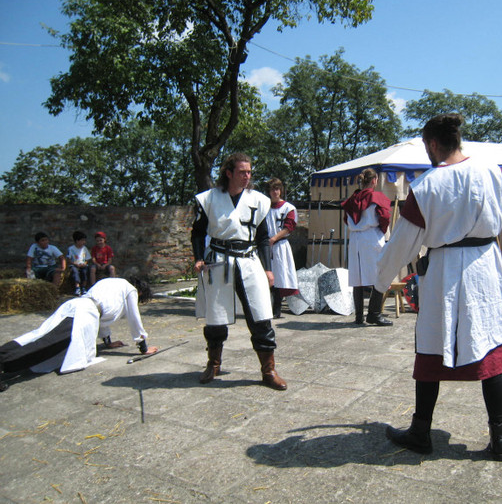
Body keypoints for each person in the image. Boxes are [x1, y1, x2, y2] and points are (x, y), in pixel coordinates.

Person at [374, 113, 502, 461]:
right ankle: (500, 436)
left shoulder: (428, 186)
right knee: (489, 346)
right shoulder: (493, 172)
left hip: (445, 273)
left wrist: (380, 281)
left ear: (433, 144)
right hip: (485, 269)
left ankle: (421, 431)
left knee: (432, 343)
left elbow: (402, 242)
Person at [191, 153, 287, 390]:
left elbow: (263, 238)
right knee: (215, 317)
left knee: (260, 315)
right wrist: (198, 258)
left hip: (248, 259)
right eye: (242, 172)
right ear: (229, 173)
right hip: (218, 260)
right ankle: (213, 363)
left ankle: (268, 370)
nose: (248, 176)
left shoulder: (259, 200)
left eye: (249, 172)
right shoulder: (210, 199)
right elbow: (197, 232)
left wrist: (267, 269)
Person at [0, 277, 157, 392]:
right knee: (46, 343)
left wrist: (108, 342)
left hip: (73, 306)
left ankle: (7, 364)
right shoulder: (131, 290)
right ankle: (4, 359)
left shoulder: (112, 282)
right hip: (84, 313)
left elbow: (102, 314)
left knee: (41, 339)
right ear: (141, 291)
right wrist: (143, 346)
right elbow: (134, 318)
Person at [341, 167, 393, 326]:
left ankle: (359, 317)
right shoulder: (377, 197)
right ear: (374, 180)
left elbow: (345, 218)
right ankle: (374, 314)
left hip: (355, 238)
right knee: (379, 275)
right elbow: (384, 217)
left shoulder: (351, 199)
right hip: (371, 236)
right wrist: (381, 231)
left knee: (357, 276)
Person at [265, 177, 300, 318]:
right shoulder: (264, 207)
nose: (275, 192)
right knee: (265, 278)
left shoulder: (288, 208)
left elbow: (289, 227)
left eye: (278, 189)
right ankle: (266, 307)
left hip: (280, 247)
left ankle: (277, 309)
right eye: (273, 189)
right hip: (266, 246)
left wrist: (274, 238)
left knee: (279, 277)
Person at [67, 231, 91, 296]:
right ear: (77, 241)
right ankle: (77, 288)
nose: (84, 242)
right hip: (74, 265)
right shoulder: (71, 249)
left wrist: (85, 263)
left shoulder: (84, 248)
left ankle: (83, 288)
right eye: (82, 240)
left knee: (85, 272)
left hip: (83, 265)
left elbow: (87, 259)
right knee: (75, 272)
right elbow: (68, 259)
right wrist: (75, 264)